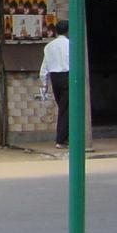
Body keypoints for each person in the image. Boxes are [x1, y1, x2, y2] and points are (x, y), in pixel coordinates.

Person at [39, 19, 71, 149]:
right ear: (68, 30)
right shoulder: (70, 44)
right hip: (67, 76)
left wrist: (44, 84)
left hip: (54, 78)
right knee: (67, 109)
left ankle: (65, 137)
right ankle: (61, 140)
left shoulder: (49, 46)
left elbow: (44, 67)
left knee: (62, 107)